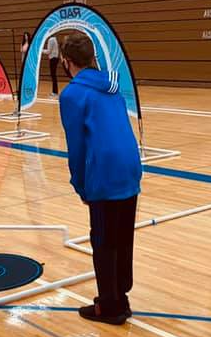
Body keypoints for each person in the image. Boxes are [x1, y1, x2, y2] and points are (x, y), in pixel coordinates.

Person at [59, 33, 143, 325]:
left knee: (104, 241)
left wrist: (80, 184)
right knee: (122, 238)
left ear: (67, 62)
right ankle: (121, 296)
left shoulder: (72, 94)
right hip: (130, 165)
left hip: (105, 170)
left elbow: (77, 146)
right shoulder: (112, 86)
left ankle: (110, 306)